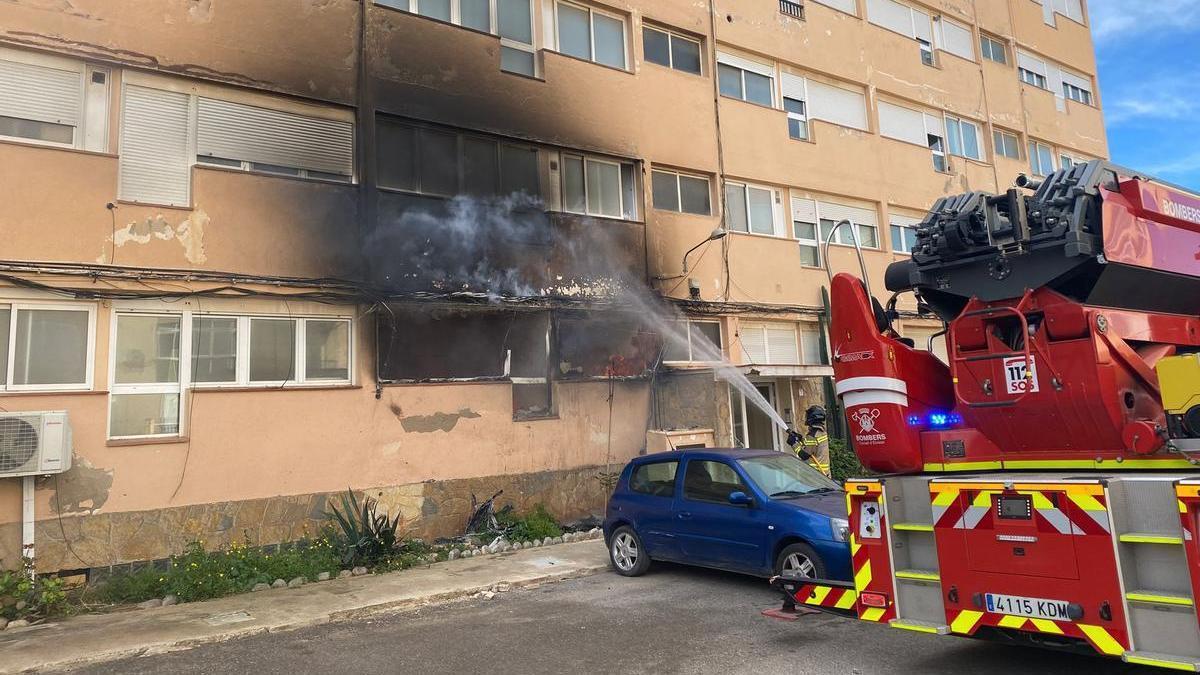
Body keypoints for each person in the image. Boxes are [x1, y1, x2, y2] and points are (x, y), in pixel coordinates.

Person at [788, 405, 831, 477]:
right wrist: (800, 438)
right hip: (824, 474)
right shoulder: (821, 432)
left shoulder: (813, 435)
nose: (806, 417)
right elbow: (813, 446)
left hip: (816, 475)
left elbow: (804, 455)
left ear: (812, 417)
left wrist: (793, 443)